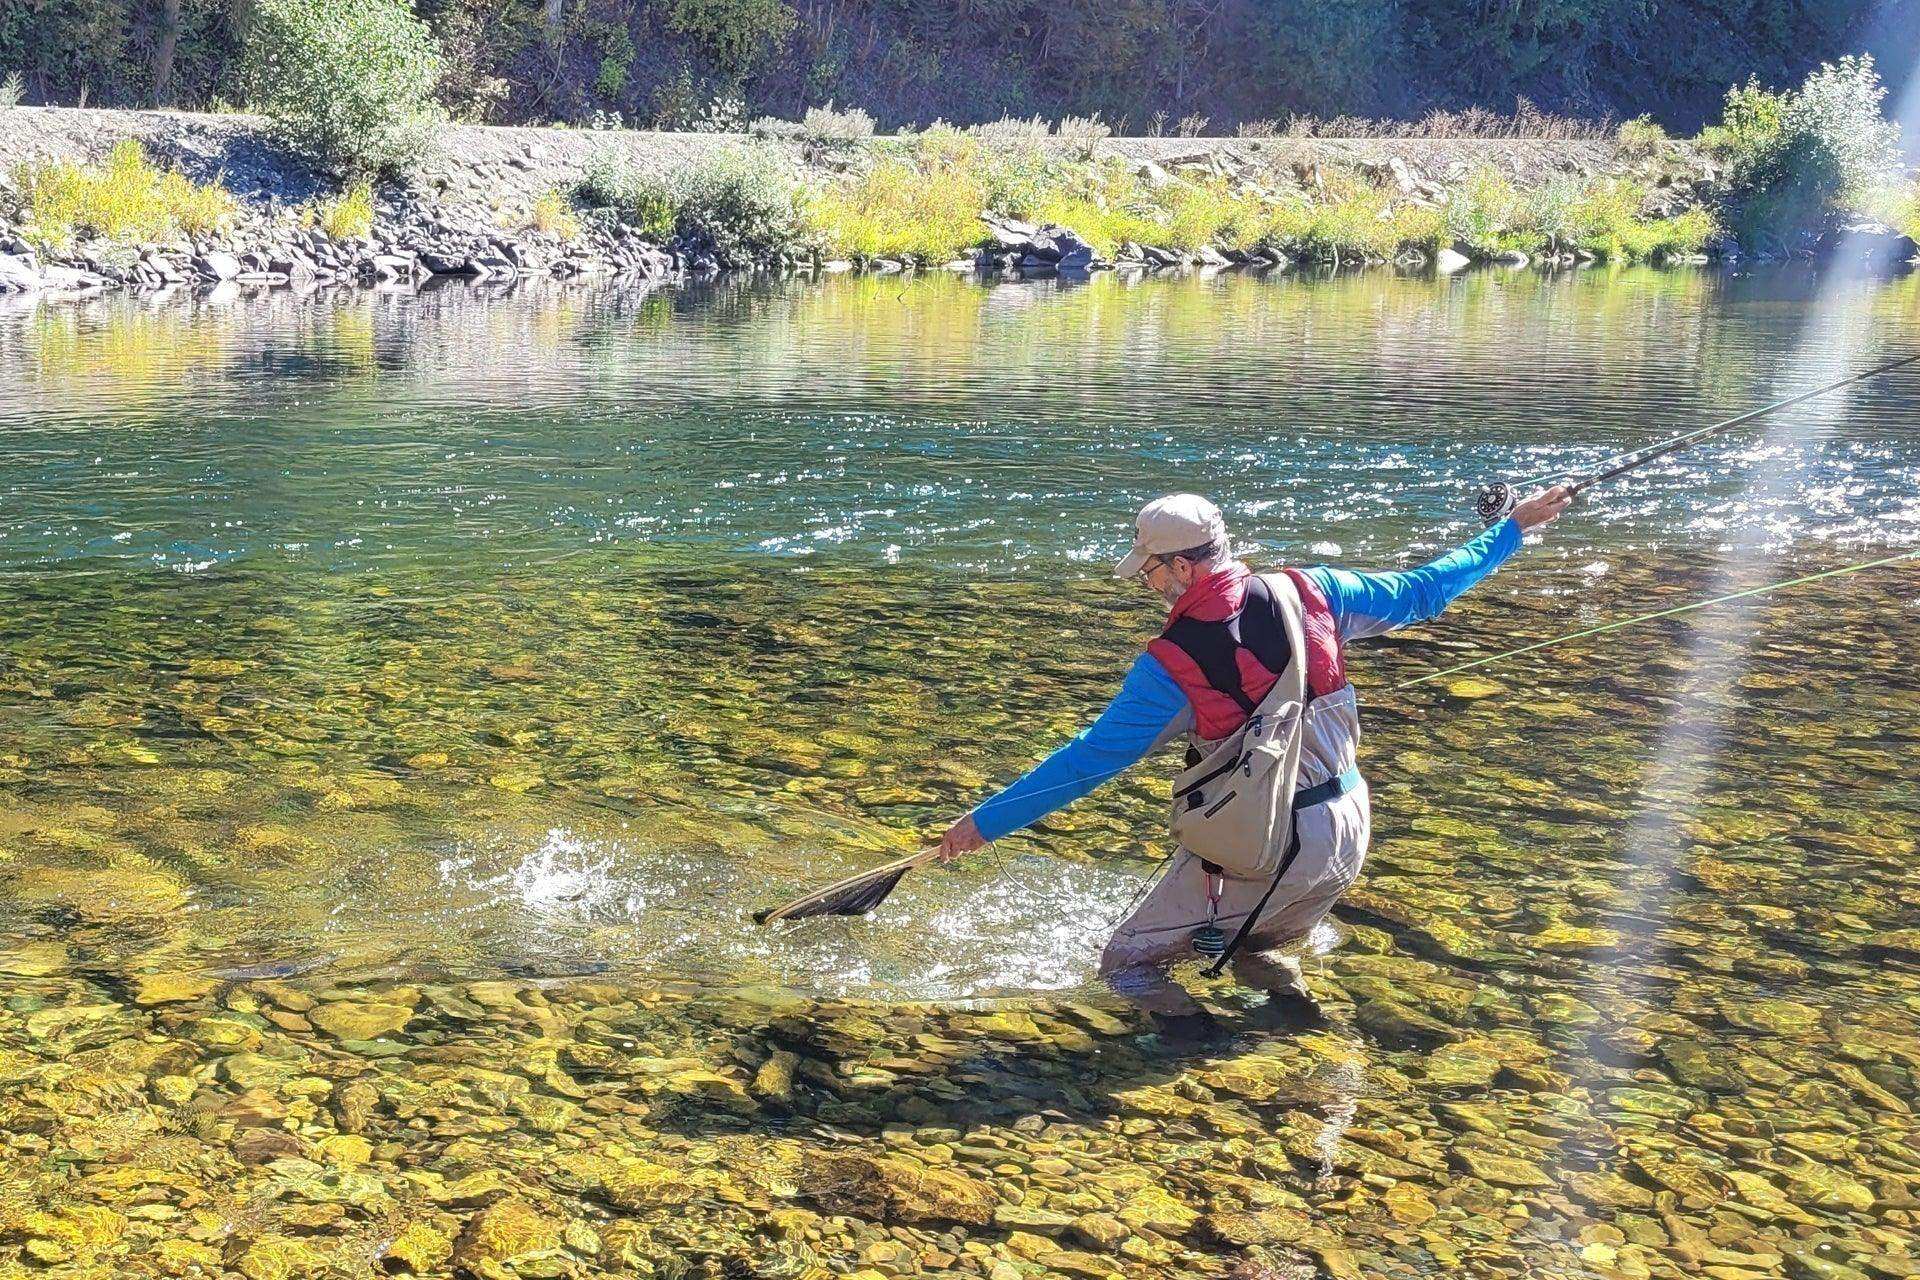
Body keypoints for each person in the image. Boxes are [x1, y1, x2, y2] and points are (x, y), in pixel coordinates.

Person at [932, 487, 1573, 1037]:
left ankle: (1193, 1057)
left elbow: (1090, 761)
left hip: (1275, 845)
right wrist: (1510, 529)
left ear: (1182, 567)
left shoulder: (1171, 663)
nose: (1147, 584)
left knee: (1126, 960)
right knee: (1253, 943)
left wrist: (980, 825)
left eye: (1151, 571)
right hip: (1350, 824)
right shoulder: (1312, 589)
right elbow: (1425, 591)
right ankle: (1298, 1027)